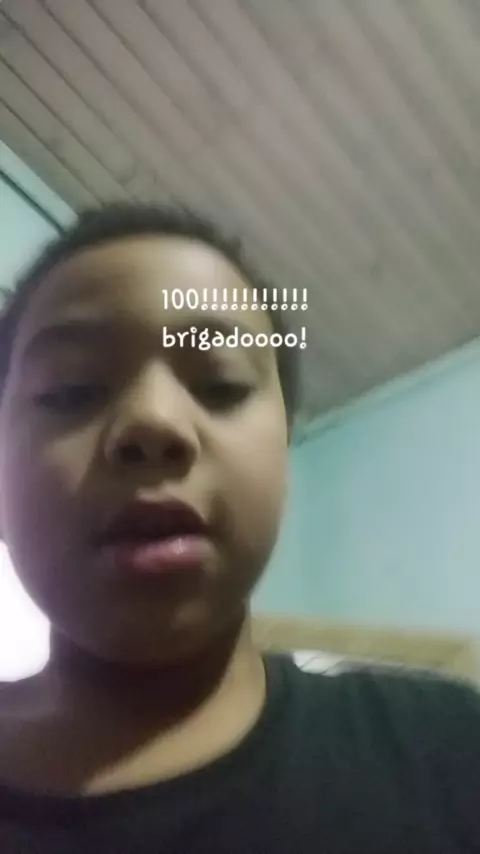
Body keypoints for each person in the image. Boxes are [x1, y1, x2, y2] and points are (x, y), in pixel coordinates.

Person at [0, 203, 478, 854]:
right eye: (72, 390)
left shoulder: (448, 751)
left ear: (283, 451)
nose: (154, 422)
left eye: (220, 384)